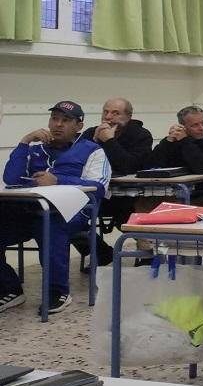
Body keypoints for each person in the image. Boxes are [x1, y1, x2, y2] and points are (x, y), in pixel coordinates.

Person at [0, 101, 110, 314]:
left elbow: (98, 188)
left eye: (66, 120)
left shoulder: (92, 151)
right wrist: (25, 141)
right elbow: (11, 179)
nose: (58, 124)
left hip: (70, 212)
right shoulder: (34, 149)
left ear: (79, 126)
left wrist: (58, 180)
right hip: (28, 210)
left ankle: (57, 291)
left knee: (48, 223)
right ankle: (9, 288)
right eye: (54, 119)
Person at [78, 98, 154, 266]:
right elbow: (77, 163)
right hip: (97, 195)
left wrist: (110, 141)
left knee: (126, 217)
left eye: (115, 113)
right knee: (68, 216)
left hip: (129, 196)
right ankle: (102, 252)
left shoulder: (141, 135)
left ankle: (146, 254)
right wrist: (94, 142)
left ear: (128, 116)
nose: (108, 117)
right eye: (105, 112)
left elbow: (130, 166)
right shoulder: (91, 134)